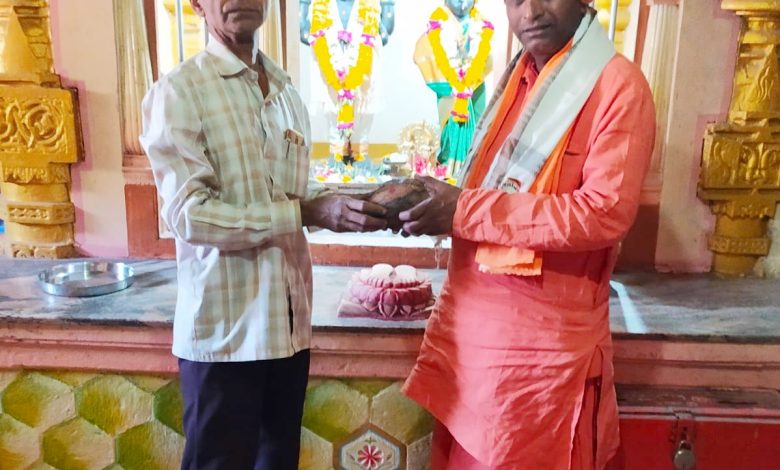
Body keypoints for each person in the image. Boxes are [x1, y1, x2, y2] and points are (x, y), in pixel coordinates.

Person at [399, 0, 656, 468]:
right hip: (470, 352)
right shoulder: (514, 81)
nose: (531, 11)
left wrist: (462, 209)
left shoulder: (617, 86)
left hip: (538, 368)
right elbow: (482, 197)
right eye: (515, 0)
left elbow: (604, 213)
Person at [139, 1, 386, 468]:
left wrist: (362, 203)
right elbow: (189, 216)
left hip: (287, 330)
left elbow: (295, 193)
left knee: (278, 461)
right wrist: (304, 212)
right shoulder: (180, 92)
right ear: (196, 4)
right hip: (225, 335)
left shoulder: (286, 92)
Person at [413, 0, 493, 177]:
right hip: (449, 86)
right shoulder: (438, 23)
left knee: (478, 124)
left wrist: (470, 81)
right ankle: (449, 166)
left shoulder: (481, 25)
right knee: (449, 125)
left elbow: (486, 58)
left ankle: (472, 168)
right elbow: (423, 55)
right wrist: (454, 83)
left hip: (475, 84)